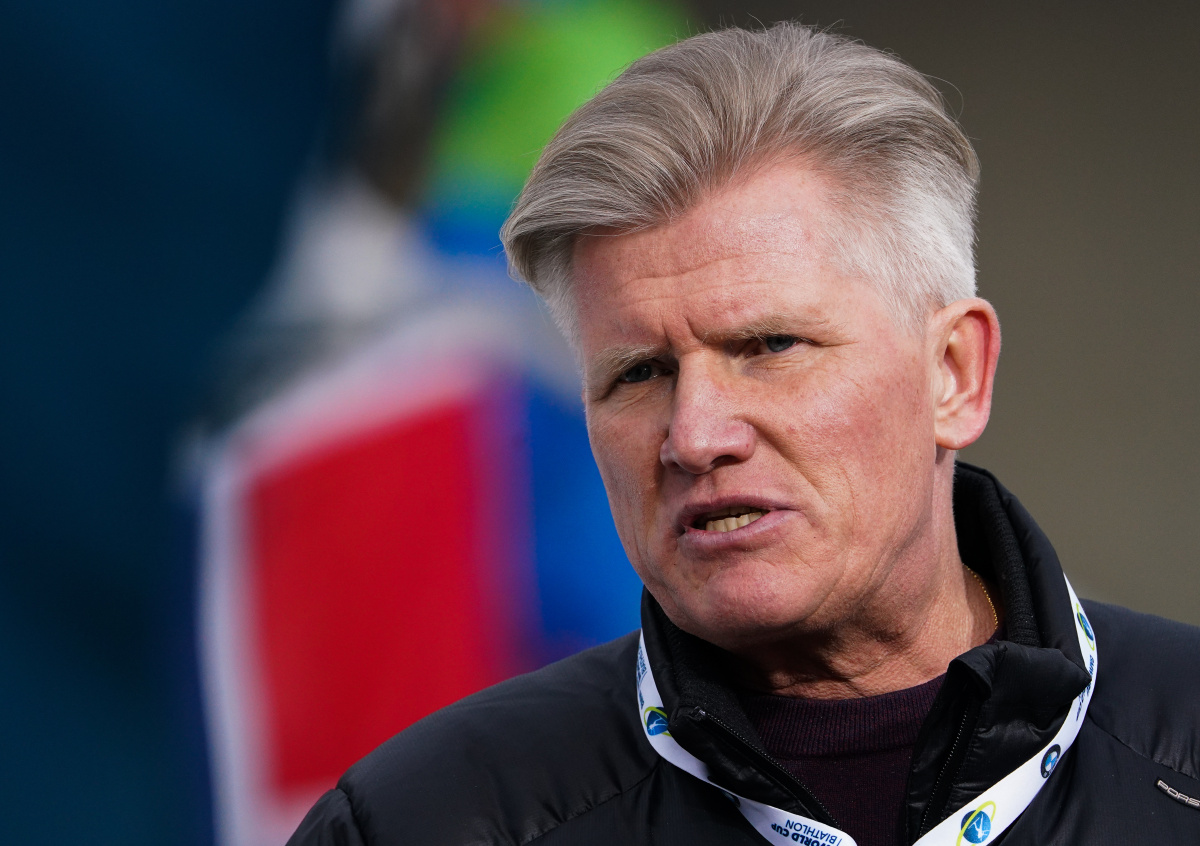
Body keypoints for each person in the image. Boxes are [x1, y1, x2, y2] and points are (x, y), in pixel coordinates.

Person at [289, 23, 1200, 846]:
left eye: (770, 346)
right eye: (638, 373)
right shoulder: (418, 823)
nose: (694, 436)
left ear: (953, 373)